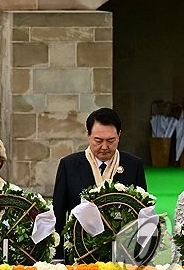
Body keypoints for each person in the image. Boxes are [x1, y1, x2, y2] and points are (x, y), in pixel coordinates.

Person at [52, 107, 148, 257]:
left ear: (119, 135)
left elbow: (142, 212)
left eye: (110, 140)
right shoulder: (69, 165)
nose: (104, 147)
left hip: (122, 253)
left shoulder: (133, 165)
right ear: (88, 135)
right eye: (98, 140)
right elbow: (58, 214)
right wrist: (58, 258)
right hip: (79, 252)